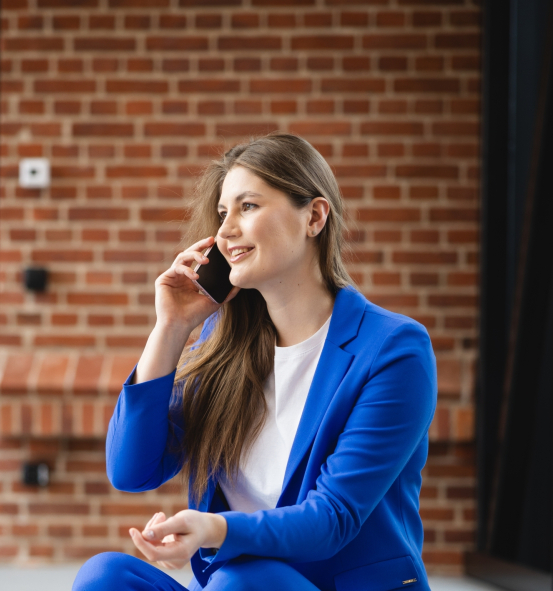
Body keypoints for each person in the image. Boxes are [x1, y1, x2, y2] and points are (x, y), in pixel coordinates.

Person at [73, 134, 437, 591]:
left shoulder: (393, 349)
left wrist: (215, 529)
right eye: (223, 213)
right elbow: (132, 471)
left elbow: (333, 519)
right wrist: (170, 328)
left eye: (247, 207)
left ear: (315, 216)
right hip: (238, 584)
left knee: (245, 581)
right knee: (106, 577)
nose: (225, 232)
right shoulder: (224, 344)